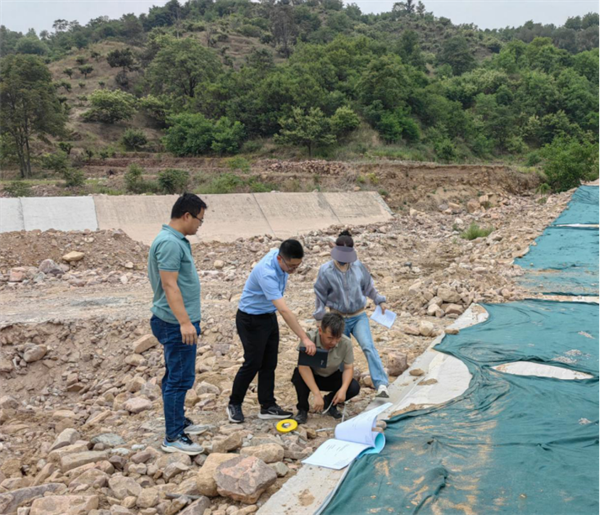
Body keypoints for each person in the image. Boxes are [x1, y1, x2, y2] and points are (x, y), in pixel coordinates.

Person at [228, 239, 317, 424]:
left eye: (298, 266)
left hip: (268, 315)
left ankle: (267, 405)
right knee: (253, 363)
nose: (294, 270)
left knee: (269, 363)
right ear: (279, 259)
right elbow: (284, 310)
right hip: (250, 319)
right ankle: (234, 403)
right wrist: (304, 337)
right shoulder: (267, 273)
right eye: (291, 266)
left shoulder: (282, 257)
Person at [148, 193, 207, 455]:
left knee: (177, 374)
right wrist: (185, 322)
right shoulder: (169, 243)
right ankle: (173, 436)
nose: (199, 225)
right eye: (199, 220)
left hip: (178, 321)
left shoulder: (174, 240)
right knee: (179, 378)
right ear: (186, 216)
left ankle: (178, 421)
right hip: (175, 323)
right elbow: (169, 285)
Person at [313, 230, 390, 398]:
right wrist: (320, 318)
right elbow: (320, 295)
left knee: (368, 346)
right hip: (337, 317)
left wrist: (379, 300)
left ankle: (381, 384)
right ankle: (343, 390)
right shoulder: (326, 270)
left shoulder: (358, 267)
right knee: (340, 353)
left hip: (358, 316)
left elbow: (368, 287)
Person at [292, 313, 360, 424]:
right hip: (312, 376)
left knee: (353, 387)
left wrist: (343, 390)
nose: (333, 342)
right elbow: (303, 367)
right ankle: (302, 410)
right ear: (320, 330)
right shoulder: (309, 339)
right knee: (298, 376)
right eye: (330, 338)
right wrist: (316, 394)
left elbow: (348, 368)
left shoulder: (345, 342)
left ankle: (330, 403)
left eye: (337, 338)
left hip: (331, 376)